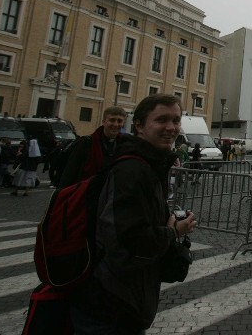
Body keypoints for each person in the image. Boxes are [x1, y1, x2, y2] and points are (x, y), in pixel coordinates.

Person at [70, 94, 197, 334]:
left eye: (176, 120)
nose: (171, 127)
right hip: (110, 303)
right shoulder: (133, 170)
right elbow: (127, 244)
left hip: (122, 299)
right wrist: (173, 232)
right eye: (161, 120)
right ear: (139, 125)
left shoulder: (148, 164)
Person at [58, 107, 127, 188]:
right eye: (112, 120)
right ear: (104, 122)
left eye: (119, 121)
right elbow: (70, 173)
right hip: (87, 192)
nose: (115, 124)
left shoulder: (124, 145)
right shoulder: (86, 143)